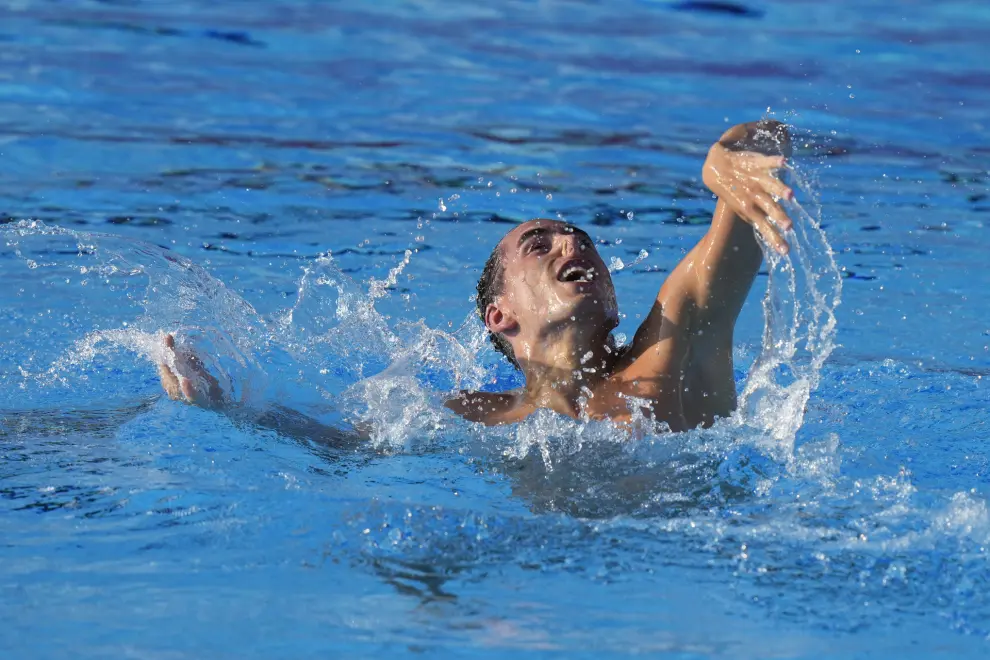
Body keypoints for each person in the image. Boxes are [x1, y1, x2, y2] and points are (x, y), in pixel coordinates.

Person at [160, 120, 794, 433]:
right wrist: (226, 409)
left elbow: (745, 194)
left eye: (578, 237)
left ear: (612, 299)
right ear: (500, 316)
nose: (570, 241)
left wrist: (727, 156)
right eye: (537, 244)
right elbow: (333, 444)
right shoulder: (467, 417)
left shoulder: (671, 354)